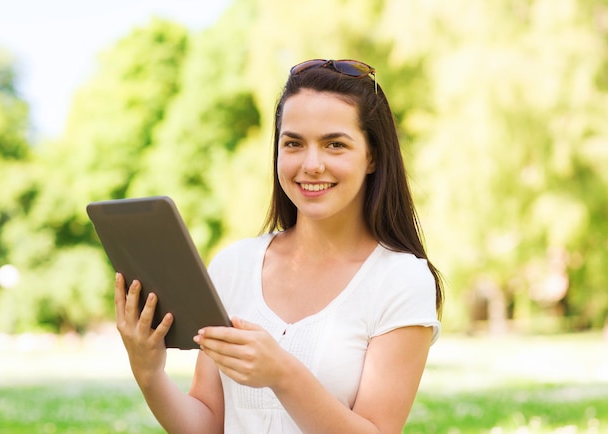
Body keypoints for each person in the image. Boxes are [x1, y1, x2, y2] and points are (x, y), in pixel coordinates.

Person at [115, 58, 444, 433]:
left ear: (372, 156)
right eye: (293, 144)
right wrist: (148, 372)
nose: (312, 164)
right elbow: (207, 423)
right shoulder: (234, 265)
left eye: (335, 144)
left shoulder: (400, 279)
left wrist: (282, 374)